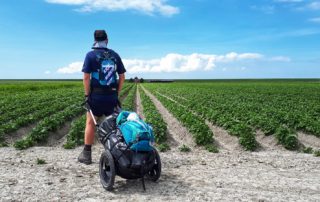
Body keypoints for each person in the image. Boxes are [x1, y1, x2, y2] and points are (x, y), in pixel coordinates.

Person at [78, 30, 126, 165]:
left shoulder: (90, 55)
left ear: (94, 39)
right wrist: (116, 94)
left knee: (90, 123)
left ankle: (87, 155)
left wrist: (87, 95)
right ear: (107, 39)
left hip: (96, 96)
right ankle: (117, 153)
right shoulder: (114, 55)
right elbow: (122, 77)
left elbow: (86, 77)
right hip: (111, 95)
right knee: (115, 125)